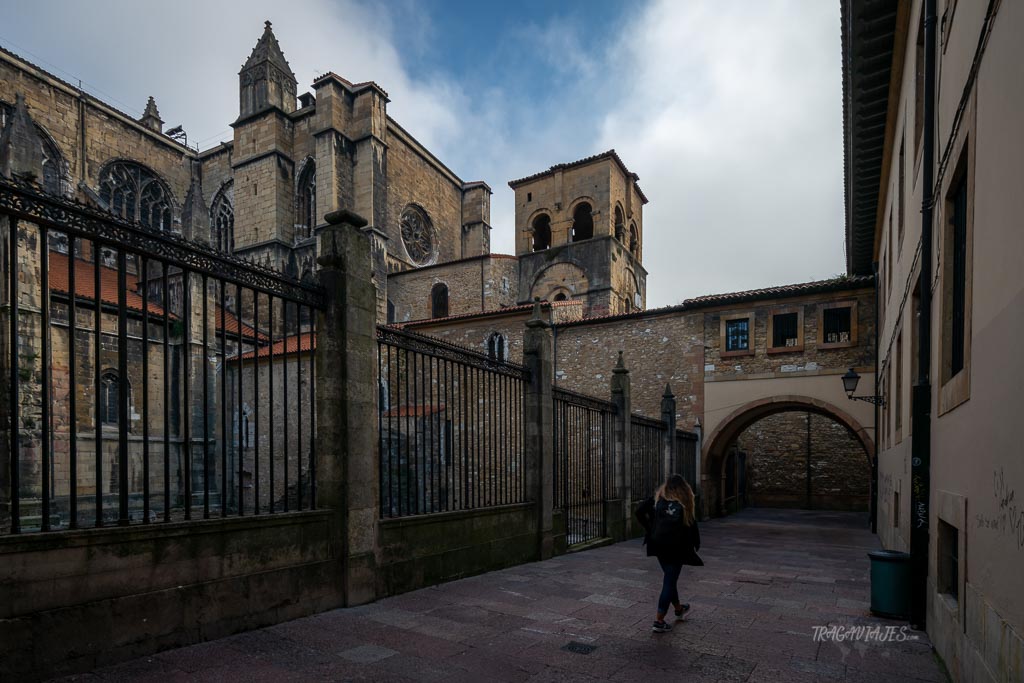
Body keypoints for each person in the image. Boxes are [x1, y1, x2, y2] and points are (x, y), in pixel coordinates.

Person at [635, 474, 702, 633]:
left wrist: (650, 528)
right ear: (684, 488)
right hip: (677, 547)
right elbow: (691, 525)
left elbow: (638, 511)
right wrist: (696, 544)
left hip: (658, 545)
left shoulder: (658, 499)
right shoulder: (685, 502)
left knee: (669, 579)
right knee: (669, 581)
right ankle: (659, 621)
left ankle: (679, 609)